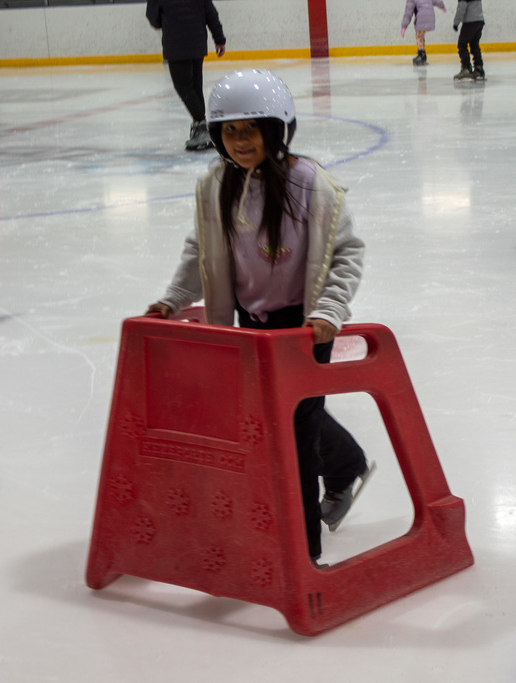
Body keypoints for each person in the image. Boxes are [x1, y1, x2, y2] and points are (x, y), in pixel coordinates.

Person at [145, 69, 374, 562]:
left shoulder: (309, 184)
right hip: (251, 323)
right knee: (280, 415)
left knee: (291, 438)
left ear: (278, 129)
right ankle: (347, 462)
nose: (240, 141)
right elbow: (199, 251)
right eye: (230, 130)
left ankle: (303, 554)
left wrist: (330, 312)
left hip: (304, 328)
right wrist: (172, 300)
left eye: (251, 129)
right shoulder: (216, 187)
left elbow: (347, 252)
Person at [146, 0, 226, 152]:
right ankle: (201, 126)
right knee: (195, 87)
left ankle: (202, 126)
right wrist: (219, 39)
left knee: (184, 87)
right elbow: (211, 13)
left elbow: (154, 19)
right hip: (197, 42)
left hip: (176, 45)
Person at [401, 0, 447, 66]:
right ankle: (422, 54)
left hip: (421, 18)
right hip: (431, 18)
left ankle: (421, 55)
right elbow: (437, 1)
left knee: (418, 36)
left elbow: (408, 13)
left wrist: (404, 26)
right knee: (421, 36)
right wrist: (442, 7)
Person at [452, 0, 485, 81]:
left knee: (462, 45)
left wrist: (456, 23)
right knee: (474, 45)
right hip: (479, 21)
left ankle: (466, 68)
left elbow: (461, 8)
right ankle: (478, 68)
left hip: (470, 22)